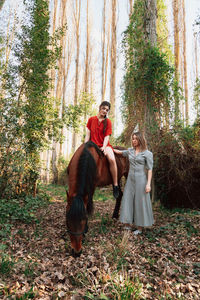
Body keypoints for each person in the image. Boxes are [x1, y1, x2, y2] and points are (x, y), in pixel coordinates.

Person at [113, 131, 154, 234]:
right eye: (133, 138)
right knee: (127, 199)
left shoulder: (147, 154)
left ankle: (139, 228)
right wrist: (108, 148)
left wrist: (148, 184)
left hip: (141, 180)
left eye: (135, 139)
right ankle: (127, 225)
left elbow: (149, 169)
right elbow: (119, 152)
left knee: (140, 202)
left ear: (140, 140)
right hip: (130, 180)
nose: (133, 140)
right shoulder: (130, 151)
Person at [85, 101, 119, 199]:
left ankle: (115, 185)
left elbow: (107, 136)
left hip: (104, 145)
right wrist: (85, 145)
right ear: (100, 108)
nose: (105, 111)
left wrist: (104, 147)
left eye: (107, 110)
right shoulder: (91, 119)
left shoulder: (107, 122)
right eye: (103, 108)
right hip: (92, 145)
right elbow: (88, 134)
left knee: (112, 159)